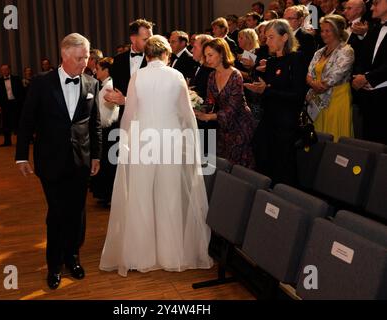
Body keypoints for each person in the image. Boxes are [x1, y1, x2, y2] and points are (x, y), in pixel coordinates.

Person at [99, 35, 213, 277]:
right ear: (166, 54)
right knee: (170, 196)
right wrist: (192, 145)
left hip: (143, 144)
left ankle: (141, 255)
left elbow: (128, 115)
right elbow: (187, 115)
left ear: (146, 55)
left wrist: (125, 144)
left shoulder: (138, 76)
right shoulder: (176, 76)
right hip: (171, 143)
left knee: (141, 196)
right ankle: (171, 255)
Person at [15, 33, 102, 290]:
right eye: (79, 58)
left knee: (77, 212)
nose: (84, 63)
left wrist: (96, 155)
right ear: (64, 55)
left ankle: (72, 258)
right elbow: (26, 121)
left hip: (81, 160)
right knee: (56, 213)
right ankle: (54, 264)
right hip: (50, 160)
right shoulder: (42, 83)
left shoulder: (91, 82)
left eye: (86, 57)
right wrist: (21, 155)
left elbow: (94, 123)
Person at [245, 19, 307, 186]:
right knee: (262, 156)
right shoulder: (271, 62)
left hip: (286, 122)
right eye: (266, 38)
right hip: (269, 119)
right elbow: (268, 91)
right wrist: (259, 89)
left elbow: (297, 95)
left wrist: (266, 90)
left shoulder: (296, 59)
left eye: (271, 37)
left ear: (285, 37)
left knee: (284, 167)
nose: (267, 41)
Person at [196, 38, 256, 168]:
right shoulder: (212, 75)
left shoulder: (235, 75)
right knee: (224, 163)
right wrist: (198, 108)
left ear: (222, 54)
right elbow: (210, 101)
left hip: (240, 124)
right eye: (206, 56)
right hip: (223, 124)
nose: (207, 59)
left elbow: (233, 107)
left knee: (238, 167)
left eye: (210, 55)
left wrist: (209, 116)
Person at [306, 15, 354, 141]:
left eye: (328, 31)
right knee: (318, 136)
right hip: (316, 100)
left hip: (337, 98)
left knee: (335, 136)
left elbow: (335, 76)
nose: (323, 34)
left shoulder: (346, 51)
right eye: (322, 31)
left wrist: (318, 86)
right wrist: (313, 83)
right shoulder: (319, 52)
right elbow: (309, 73)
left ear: (338, 31)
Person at [352, 0, 387, 144]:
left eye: (376, 3)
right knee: (370, 144)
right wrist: (359, 76)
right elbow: (363, 58)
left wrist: (367, 78)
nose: (372, 7)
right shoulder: (374, 28)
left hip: (384, 95)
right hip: (369, 97)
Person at [105, 19, 154, 116]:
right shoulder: (118, 60)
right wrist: (114, 97)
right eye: (145, 40)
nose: (150, 43)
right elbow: (118, 90)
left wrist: (125, 100)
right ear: (133, 39)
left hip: (149, 116)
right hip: (126, 116)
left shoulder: (155, 59)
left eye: (151, 39)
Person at [91, 57, 119, 207]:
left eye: (99, 68)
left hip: (108, 129)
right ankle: (105, 194)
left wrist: (95, 126)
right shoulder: (105, 85)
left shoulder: (109, 85)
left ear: (106, 70)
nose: (96, 71)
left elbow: (106, 114)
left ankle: (109, 195)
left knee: (109, 164)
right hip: (105, 129)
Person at [0, 64, 24, 147]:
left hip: (16, 103)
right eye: (3, 70)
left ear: (9, 70)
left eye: (6, 69)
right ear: (1, 71)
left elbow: (21, 92)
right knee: (6, 124)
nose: (5, 71)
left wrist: (21, 103)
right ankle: (7, 142)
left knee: (18, 123)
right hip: (5, 104)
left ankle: (20, 141)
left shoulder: (16, 79)